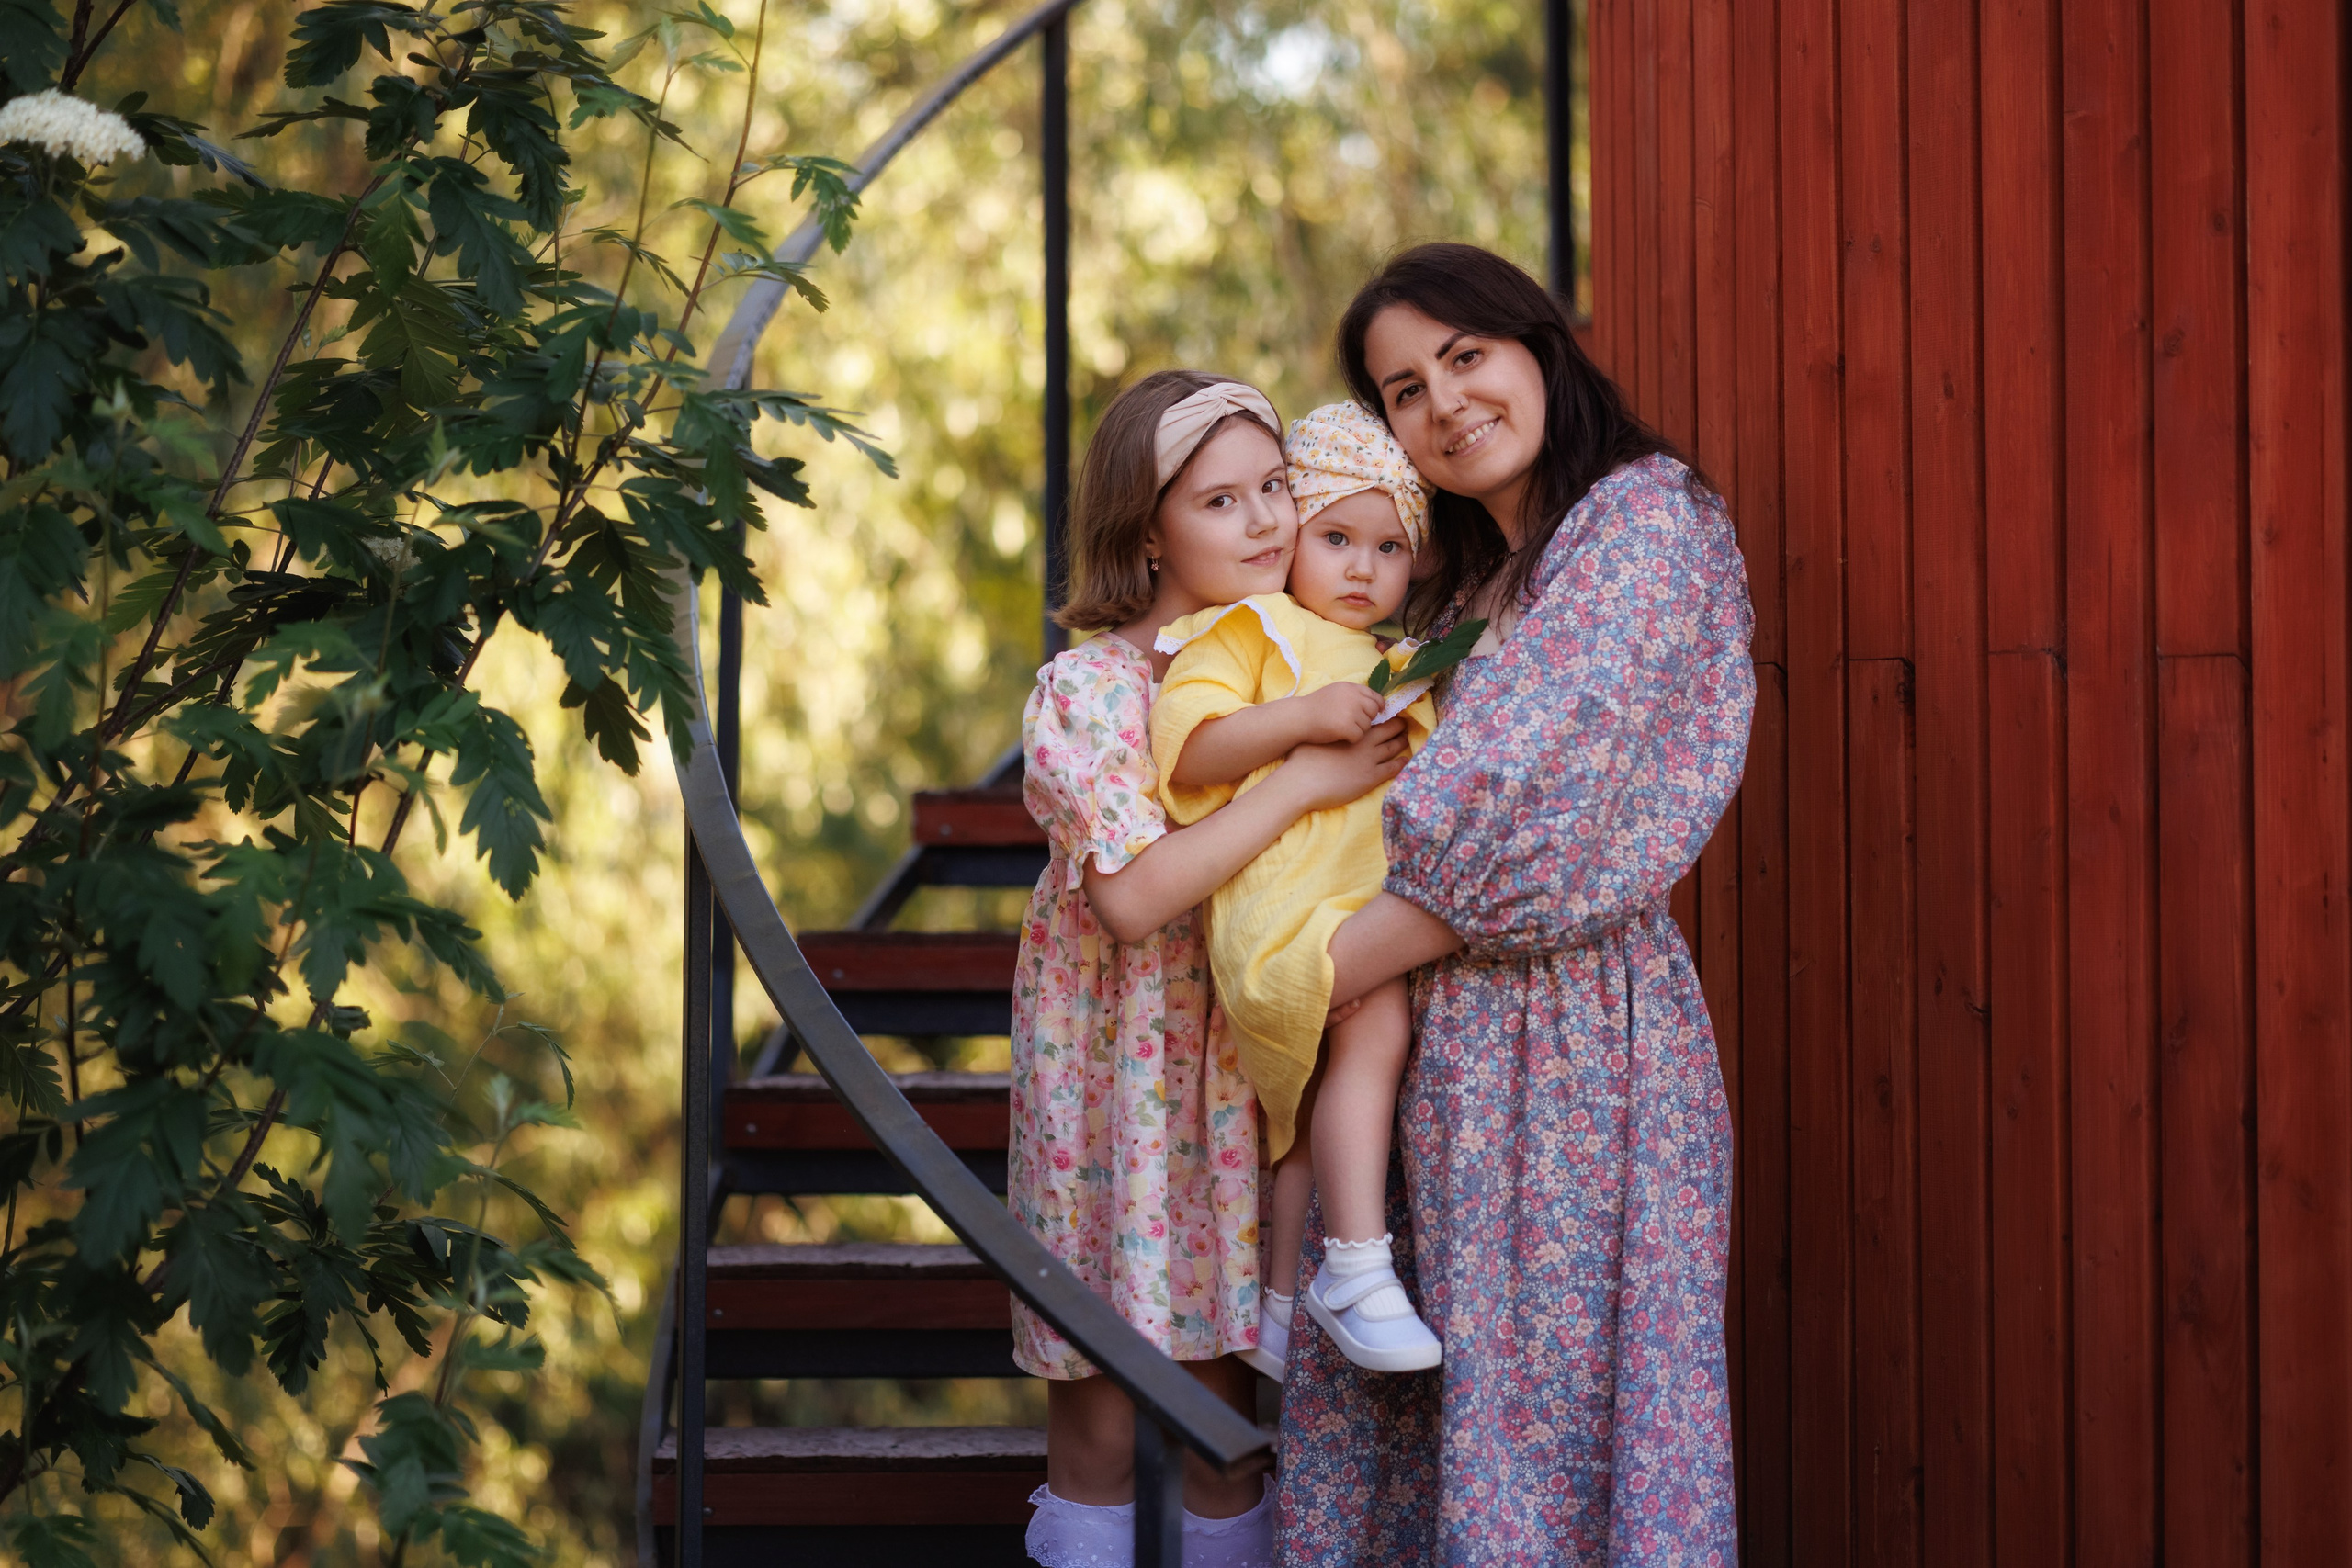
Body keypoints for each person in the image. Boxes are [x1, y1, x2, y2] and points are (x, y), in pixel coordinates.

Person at [1274, 243, 1755, 1564]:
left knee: (1554, 1431)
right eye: (1403, 390)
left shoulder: (1644, 521)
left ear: (1538, 344)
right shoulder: (1456, 586)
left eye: (1466, 356)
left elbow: (1516, 801)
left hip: (1571, 1050)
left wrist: (1296, 978)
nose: (1444, 403)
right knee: (1416, 1435)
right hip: (1423, 1059)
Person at [1012, 370, 1410, 1568]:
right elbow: (1133, 895)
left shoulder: (1312, 660)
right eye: (1220, 500)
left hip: (1242, 1064)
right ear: (1148, 532)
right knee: (1099, 1395)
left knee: (1223, 1418)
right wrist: (1298, 776)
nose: (1266, 520)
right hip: (1114, 1074)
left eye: (1276, 487)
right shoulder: (1089, 691)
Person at [1150, 402, 1473, 1382]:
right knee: (1372, 1031)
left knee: (1305, 1122)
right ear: (1295, 538)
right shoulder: (1254, 627)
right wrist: (1299, 719)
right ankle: (1357, 1271)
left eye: (1388, 547)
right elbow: (1190, 741)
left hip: (1350, 912)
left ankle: (1284, 1306)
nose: (1361, 569)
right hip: (1283, 915)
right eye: (1335, 538)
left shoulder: (1402, 660)